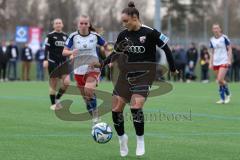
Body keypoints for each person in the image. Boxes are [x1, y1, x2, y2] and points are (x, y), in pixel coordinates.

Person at [100, 2, 177, 157]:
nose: (124, 24)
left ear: (134, 18)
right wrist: (101, 65)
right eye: (122, 21)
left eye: (125, 21)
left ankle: (140, 141)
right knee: (116, 110)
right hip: (125, 76)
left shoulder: (150, 32)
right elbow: (115, 53)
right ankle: (122, 139)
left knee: (135, 107)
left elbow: (166, 48)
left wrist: (173, 68)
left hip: (144, 76)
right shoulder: (123, 35)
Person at [63, 15, 109, 124]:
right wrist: (71, 53)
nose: (83, 25)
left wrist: (108, 56)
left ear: (89, 24)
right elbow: (64, 51)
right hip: (78, 70)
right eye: (81, 23)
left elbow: (106, 46)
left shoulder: (95, 36)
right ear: (78, 24)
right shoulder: (73, 36)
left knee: (89, 89)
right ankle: (94, 113)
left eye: (85, 23)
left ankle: (96, 116)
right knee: (86, 97)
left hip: (92, 68)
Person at [43, 18, 70, 110]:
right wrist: (45, 60)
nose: (58, 24)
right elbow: (46, 49)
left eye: (59, 23)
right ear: (54, 25)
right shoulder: (50, 36)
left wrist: (70, 55)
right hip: (52, 62)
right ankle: (53, 104)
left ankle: (57, 98)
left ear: (62, 25)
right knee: (53, 84)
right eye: (56, 23)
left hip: (63, 62)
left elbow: (67, 49)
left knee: (66, 83)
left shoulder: (66, 36)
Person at [209, 23, 232, 104]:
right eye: (214, 28)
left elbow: (229, 49)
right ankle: (222, 99)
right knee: (220, 81)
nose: (215, 30)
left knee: (220, 79)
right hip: (216, 62)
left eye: (217, 28)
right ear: (212, 30)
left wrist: (229, 60)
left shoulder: (224, 38)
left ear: (220, 29)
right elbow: (211, 52)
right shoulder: (211, 39)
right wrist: (210, 63)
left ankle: (228, 94)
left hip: (224, 61)